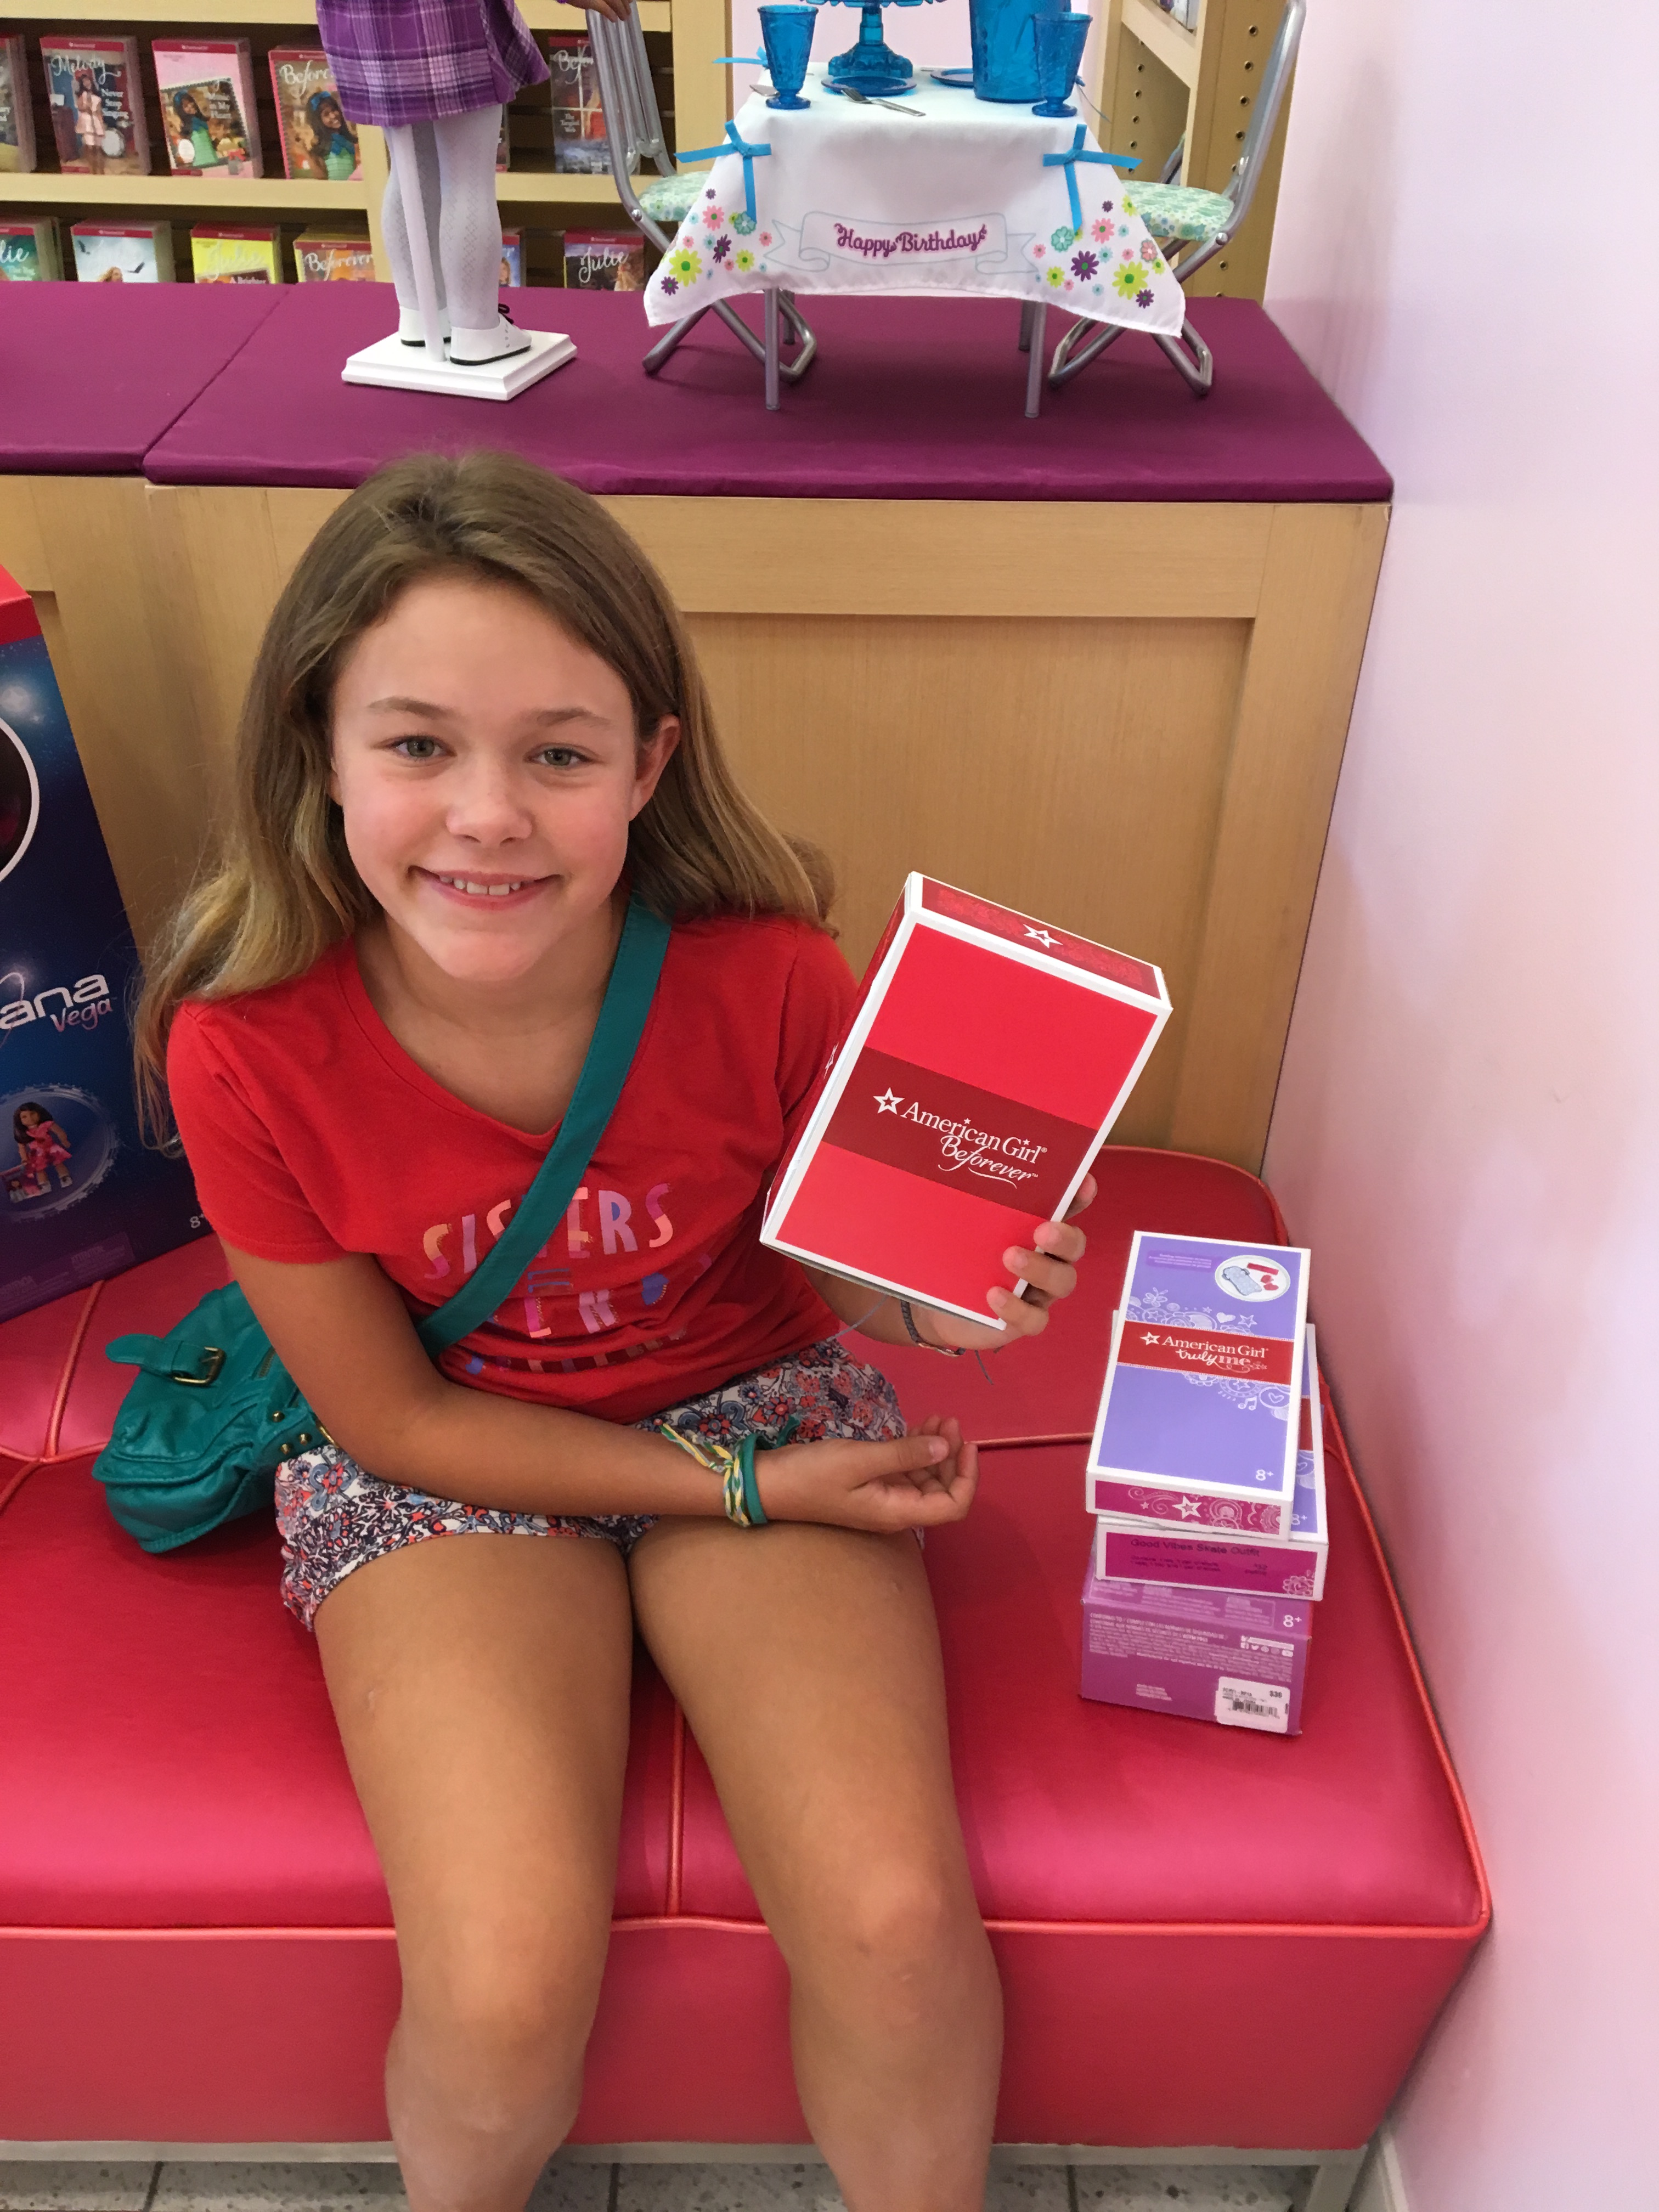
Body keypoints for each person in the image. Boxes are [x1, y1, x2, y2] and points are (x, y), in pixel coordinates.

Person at [138, 452, 1093, 2212]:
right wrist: (743, 1493)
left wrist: (950, 1302)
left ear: (649, 766)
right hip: (447, 1454)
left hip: (754, 1391)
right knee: (500, 1982)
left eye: (559, 756)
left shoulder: (770, 974)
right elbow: (396, 1424)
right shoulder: (243, 1038)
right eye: (417, 745)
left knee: (894, 1925)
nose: (488, 815)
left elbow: (848, 1271)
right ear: (320, 752)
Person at [314, 0, 626, 365]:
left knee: (408, 167)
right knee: (467, 180)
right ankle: (477, 331)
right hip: (442, 14)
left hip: (357, 15)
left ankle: (419, 315)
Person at [14, 1102, 72, 1192]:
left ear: (39, 1113)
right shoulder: (24, 1134)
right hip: (37, 1153)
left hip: (51, 1148)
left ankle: (65, 1177)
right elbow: (21, 1147)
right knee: (39, 1170)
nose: (30, 1118)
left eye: (33, 1114)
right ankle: (44, 1185)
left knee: (58, 1163)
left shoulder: (46, 1125)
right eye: (24, 1117)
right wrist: (24, 1159)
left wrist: (64, 1140)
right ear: (19, 1120)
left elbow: (59, 1132)